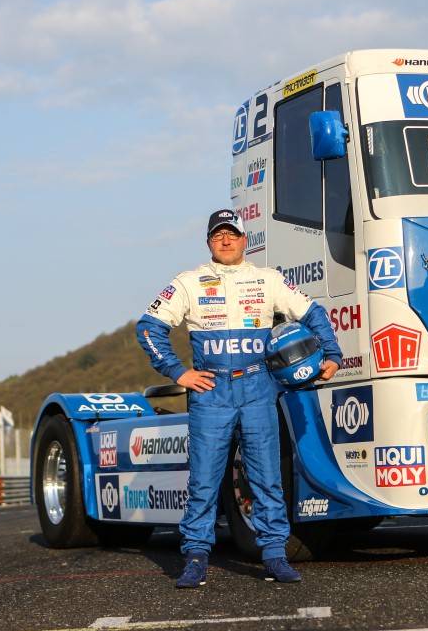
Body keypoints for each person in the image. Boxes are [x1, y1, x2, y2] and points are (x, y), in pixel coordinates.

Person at [136, 208, 341, 587]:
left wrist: (331, 353)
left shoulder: (267, 279)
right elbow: (149, 328)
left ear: (245, 239)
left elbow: (313, 312)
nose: (226, 240)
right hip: (210, 393)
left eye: (232, 234)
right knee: (204, 481)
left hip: (258, 388)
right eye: (218, 235)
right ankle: (196, 557)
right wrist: (178, 372)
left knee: (266, 477)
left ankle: (275, 555)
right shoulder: (189, 282)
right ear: (209, 242)